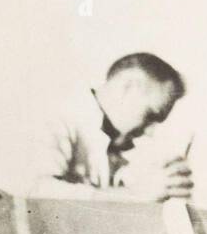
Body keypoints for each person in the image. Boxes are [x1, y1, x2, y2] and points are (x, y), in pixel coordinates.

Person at [33, 52, 192, 202]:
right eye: (152, 115)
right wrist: (136, 195)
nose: (150, 132)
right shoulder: (57, 116)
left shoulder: (111, 147)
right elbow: (38, 193)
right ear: (129, 87)